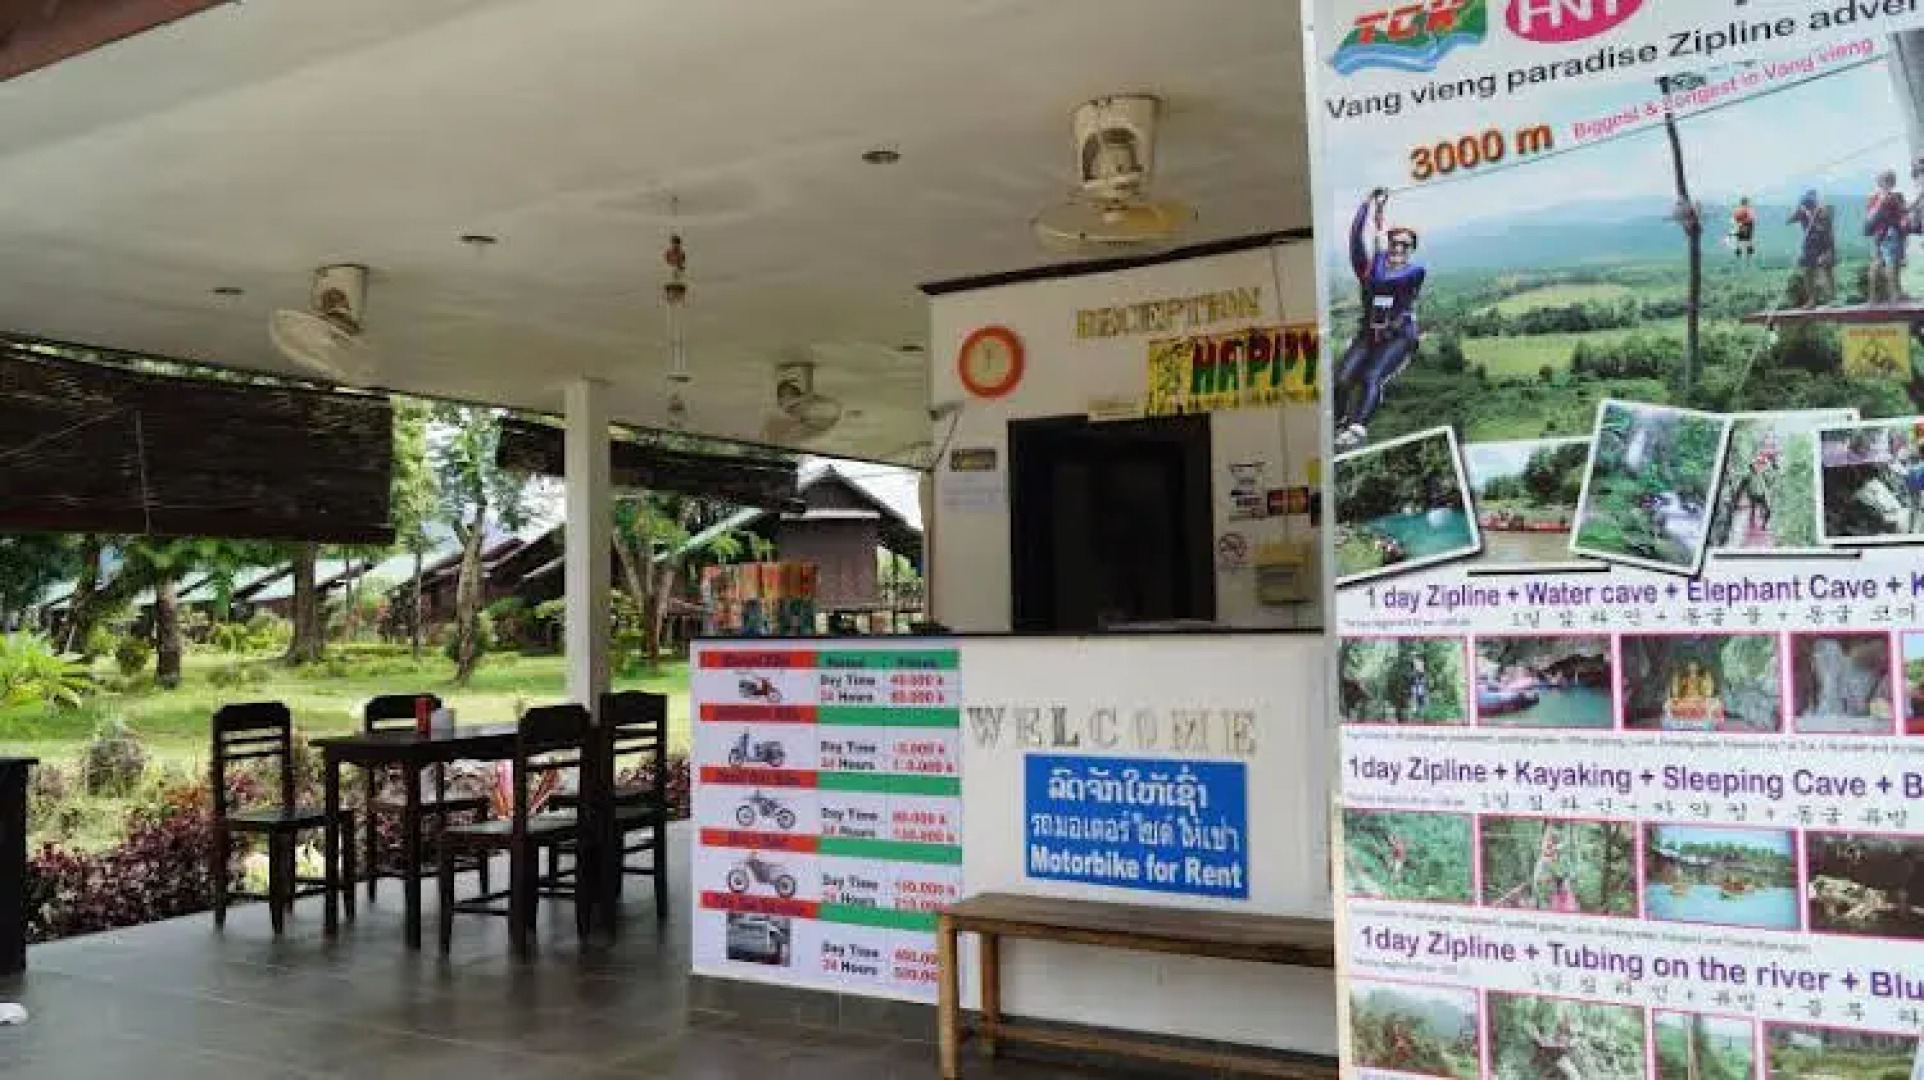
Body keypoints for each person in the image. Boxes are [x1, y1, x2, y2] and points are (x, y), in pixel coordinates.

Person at [1335, 187, 1426, 450]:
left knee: (1371, 376)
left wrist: (1378, 251)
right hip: (1370, 333)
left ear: (1410, 250)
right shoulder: (1372, 266)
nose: (1398, 248)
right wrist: (1367, 206)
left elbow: (1381, 281)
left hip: (1398, 335)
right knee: (1342, 379)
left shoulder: (1414, 272)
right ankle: (1340, 422)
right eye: (1394, 243)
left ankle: (1357, 428)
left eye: (1405, 245)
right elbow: (1354, 238)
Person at [1866, 169, 1909, 304]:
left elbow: (1869, 217)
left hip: (1879, 234)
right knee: (1891, 264)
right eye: (1890, 180)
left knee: (1877, 264)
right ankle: (1894, 295)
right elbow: (1903, 214)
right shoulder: (1893, 197)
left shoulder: (1874, 198)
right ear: (1890, 182)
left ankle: (1874, 297)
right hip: (1890, 233)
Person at [1788, 189, 1836, 306]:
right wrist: (1800, 210)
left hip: (1824, 244)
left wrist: (1811, 215)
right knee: (1807, 272)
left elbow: (1824, 228)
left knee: (1826, 270)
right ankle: (1812, 300)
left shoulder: (1825, 210)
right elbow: (1789, 220)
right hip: (1810, 245)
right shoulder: (1803, 211)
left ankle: (1832, 300)